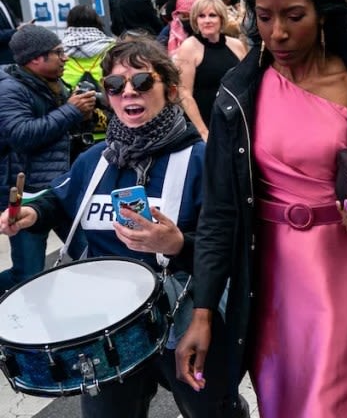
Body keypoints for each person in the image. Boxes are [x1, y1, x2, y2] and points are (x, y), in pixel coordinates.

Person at [175, 0, 347, 417]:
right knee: (291, 399)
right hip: (269, 279)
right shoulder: (238, 94)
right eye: (264, 17)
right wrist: (202, 312)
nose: (277, 32)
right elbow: (220, 212)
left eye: (294, 16)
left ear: (323, 13)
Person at [0, 37, 241, 417]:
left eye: (142, 81)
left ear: (171, 89)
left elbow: (233, 245)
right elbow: (60, 197)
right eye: (114, 85)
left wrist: (179, 243)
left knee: (211, 410)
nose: (127, 91)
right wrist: (32, 214)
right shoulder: (97, 158)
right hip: (106, 325)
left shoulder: (201, 160)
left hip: (183, 313)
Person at [0, 26, 96, 292]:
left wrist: (81, 117)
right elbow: (22, 135)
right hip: (28, 193)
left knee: (94, 257)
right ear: (35, 59)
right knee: (27, 275)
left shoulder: (52, 83)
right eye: (57, 52)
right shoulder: (9, 90)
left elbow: (57, 133)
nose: (64, 57)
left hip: (60, 188)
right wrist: (71, 111)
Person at [172, 0, 246, 141]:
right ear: (195, 20)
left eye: (212, 15)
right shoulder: (189, 47)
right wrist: (203, 131)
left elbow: (246, 84)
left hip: (235, 122)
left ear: (221, 18)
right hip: (206, 124)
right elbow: (185, 93)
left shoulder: (236, 45)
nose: (207, 20)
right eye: (201, 16)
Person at [61, 5, 115, 160]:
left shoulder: (60, 49)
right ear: (97, 22)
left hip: (74, 111)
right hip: (107, 110)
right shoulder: (112, 47)